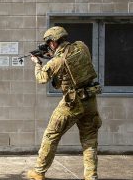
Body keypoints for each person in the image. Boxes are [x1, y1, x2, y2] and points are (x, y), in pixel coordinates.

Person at [27, 26, 102, 180]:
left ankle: (39, 172)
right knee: (90, 139)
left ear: (53, 42)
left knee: (51, 136)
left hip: (72, 103)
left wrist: (37, 62)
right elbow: (76, 64)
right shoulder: (82, 46)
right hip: (90, 100)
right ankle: (91, 176)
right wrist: (52, 55)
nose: (49, 46)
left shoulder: (58, 61)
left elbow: (42, 78)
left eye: (49, 43)